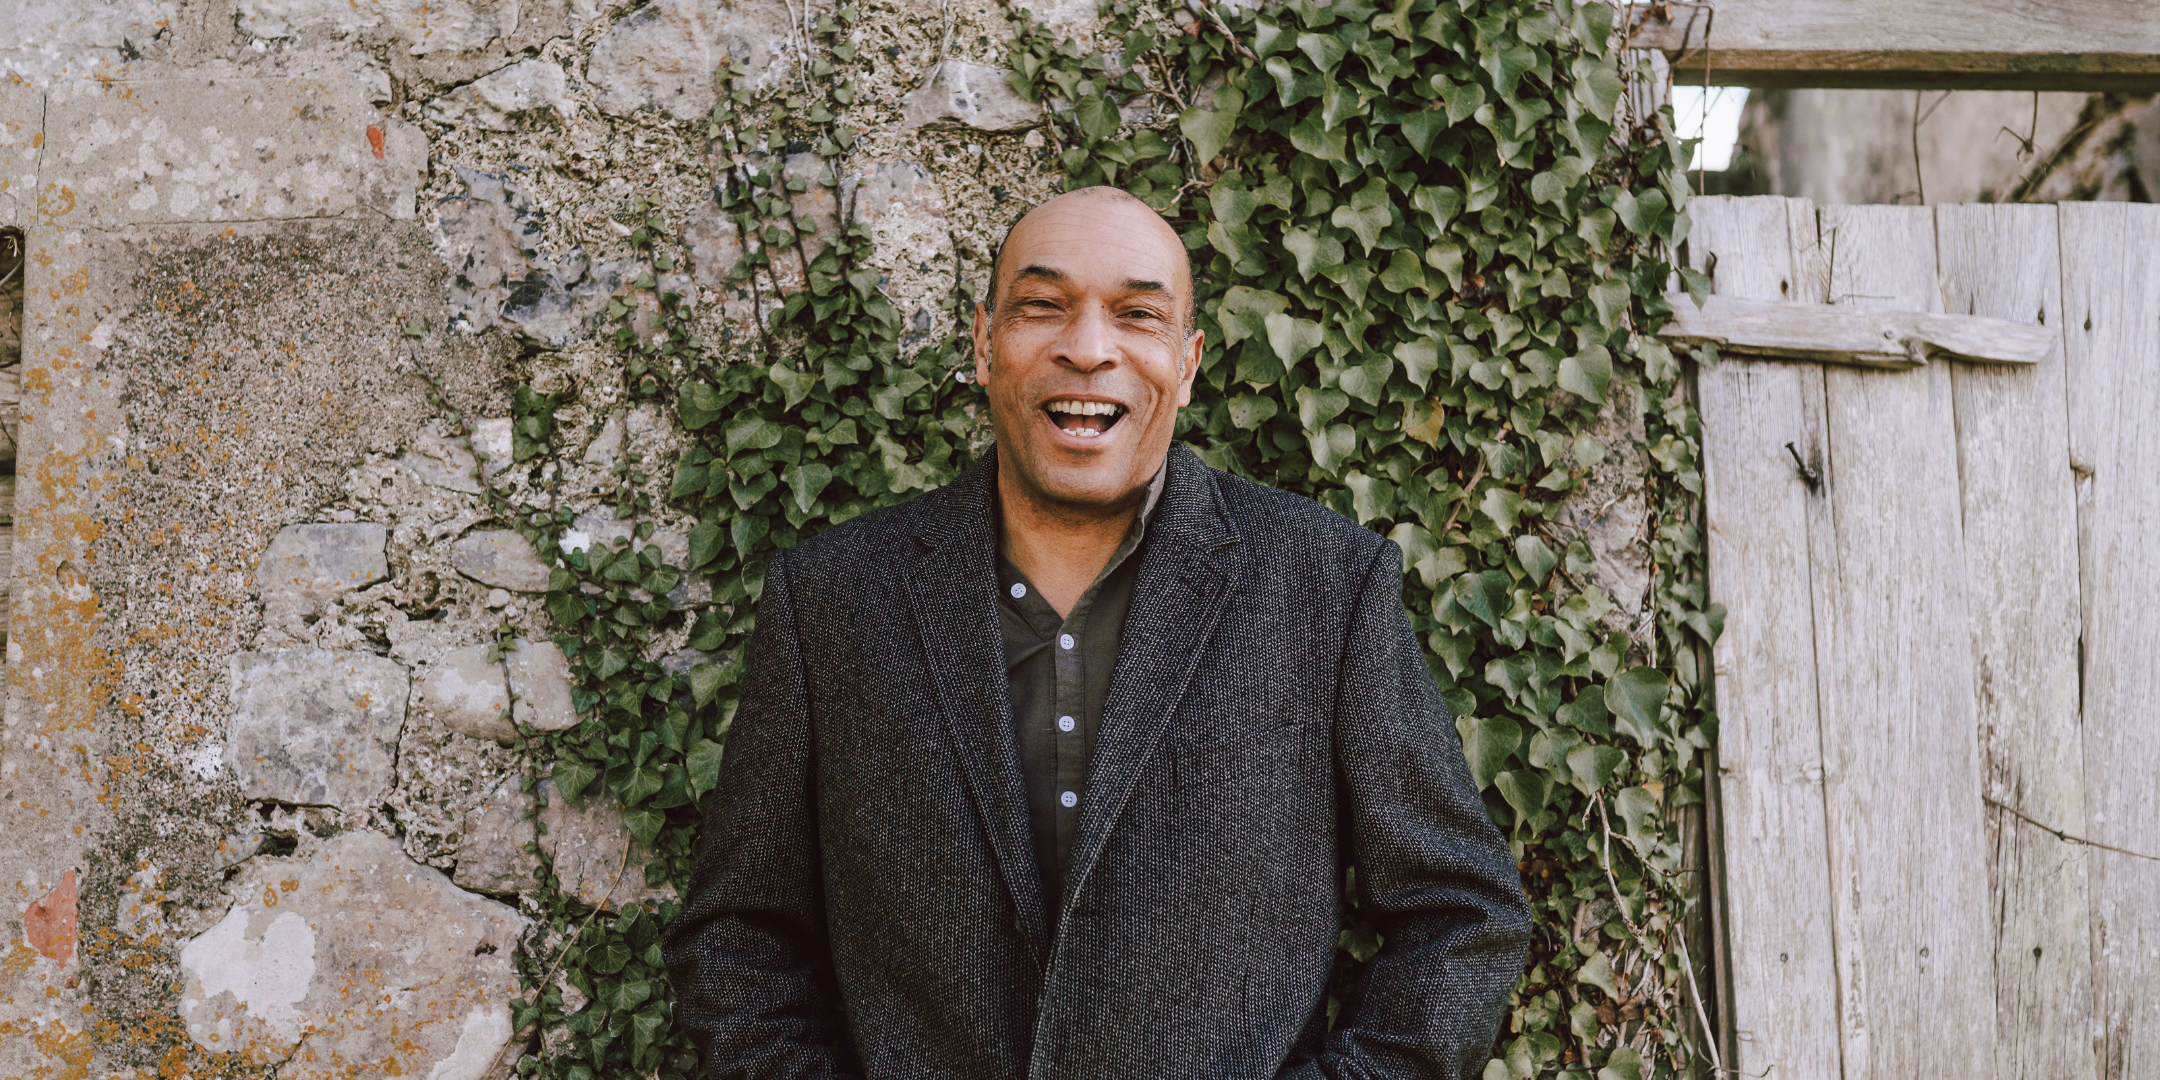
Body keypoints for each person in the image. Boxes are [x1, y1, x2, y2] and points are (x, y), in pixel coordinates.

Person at [662, 186, 1530, 1079]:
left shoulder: (1327, 586)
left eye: (1137, 315)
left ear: (1186, 365)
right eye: (1043, 306)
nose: (1087, 347)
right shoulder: (834, 600)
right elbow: (739, 935)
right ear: (984, 342)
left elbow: (1459, 913)